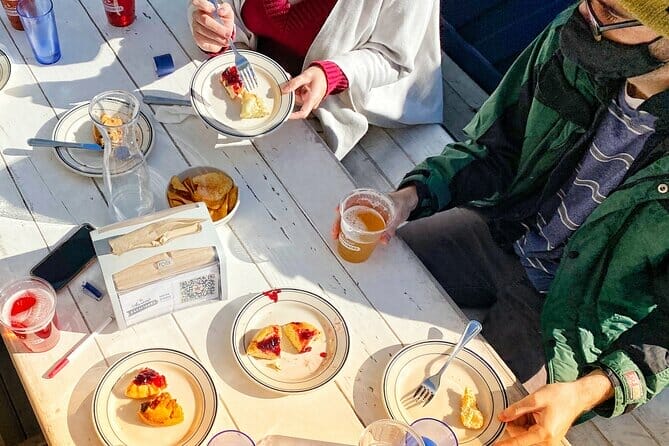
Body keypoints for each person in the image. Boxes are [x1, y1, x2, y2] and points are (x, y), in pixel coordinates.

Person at [333, 1, 668, 444]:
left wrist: (586, 391)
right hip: (497, 231)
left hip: (570, 317)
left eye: (607, 10)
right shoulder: (579, 34)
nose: (582, 14)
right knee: (346, 283)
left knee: (484, 428)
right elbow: (495, 146)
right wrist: (409, 198)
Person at [187, 0, 443, 159]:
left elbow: (392, 56)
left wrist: (331, 73)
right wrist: (214, 24)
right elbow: (220, 5)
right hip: (246, 82)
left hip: (341, 102)